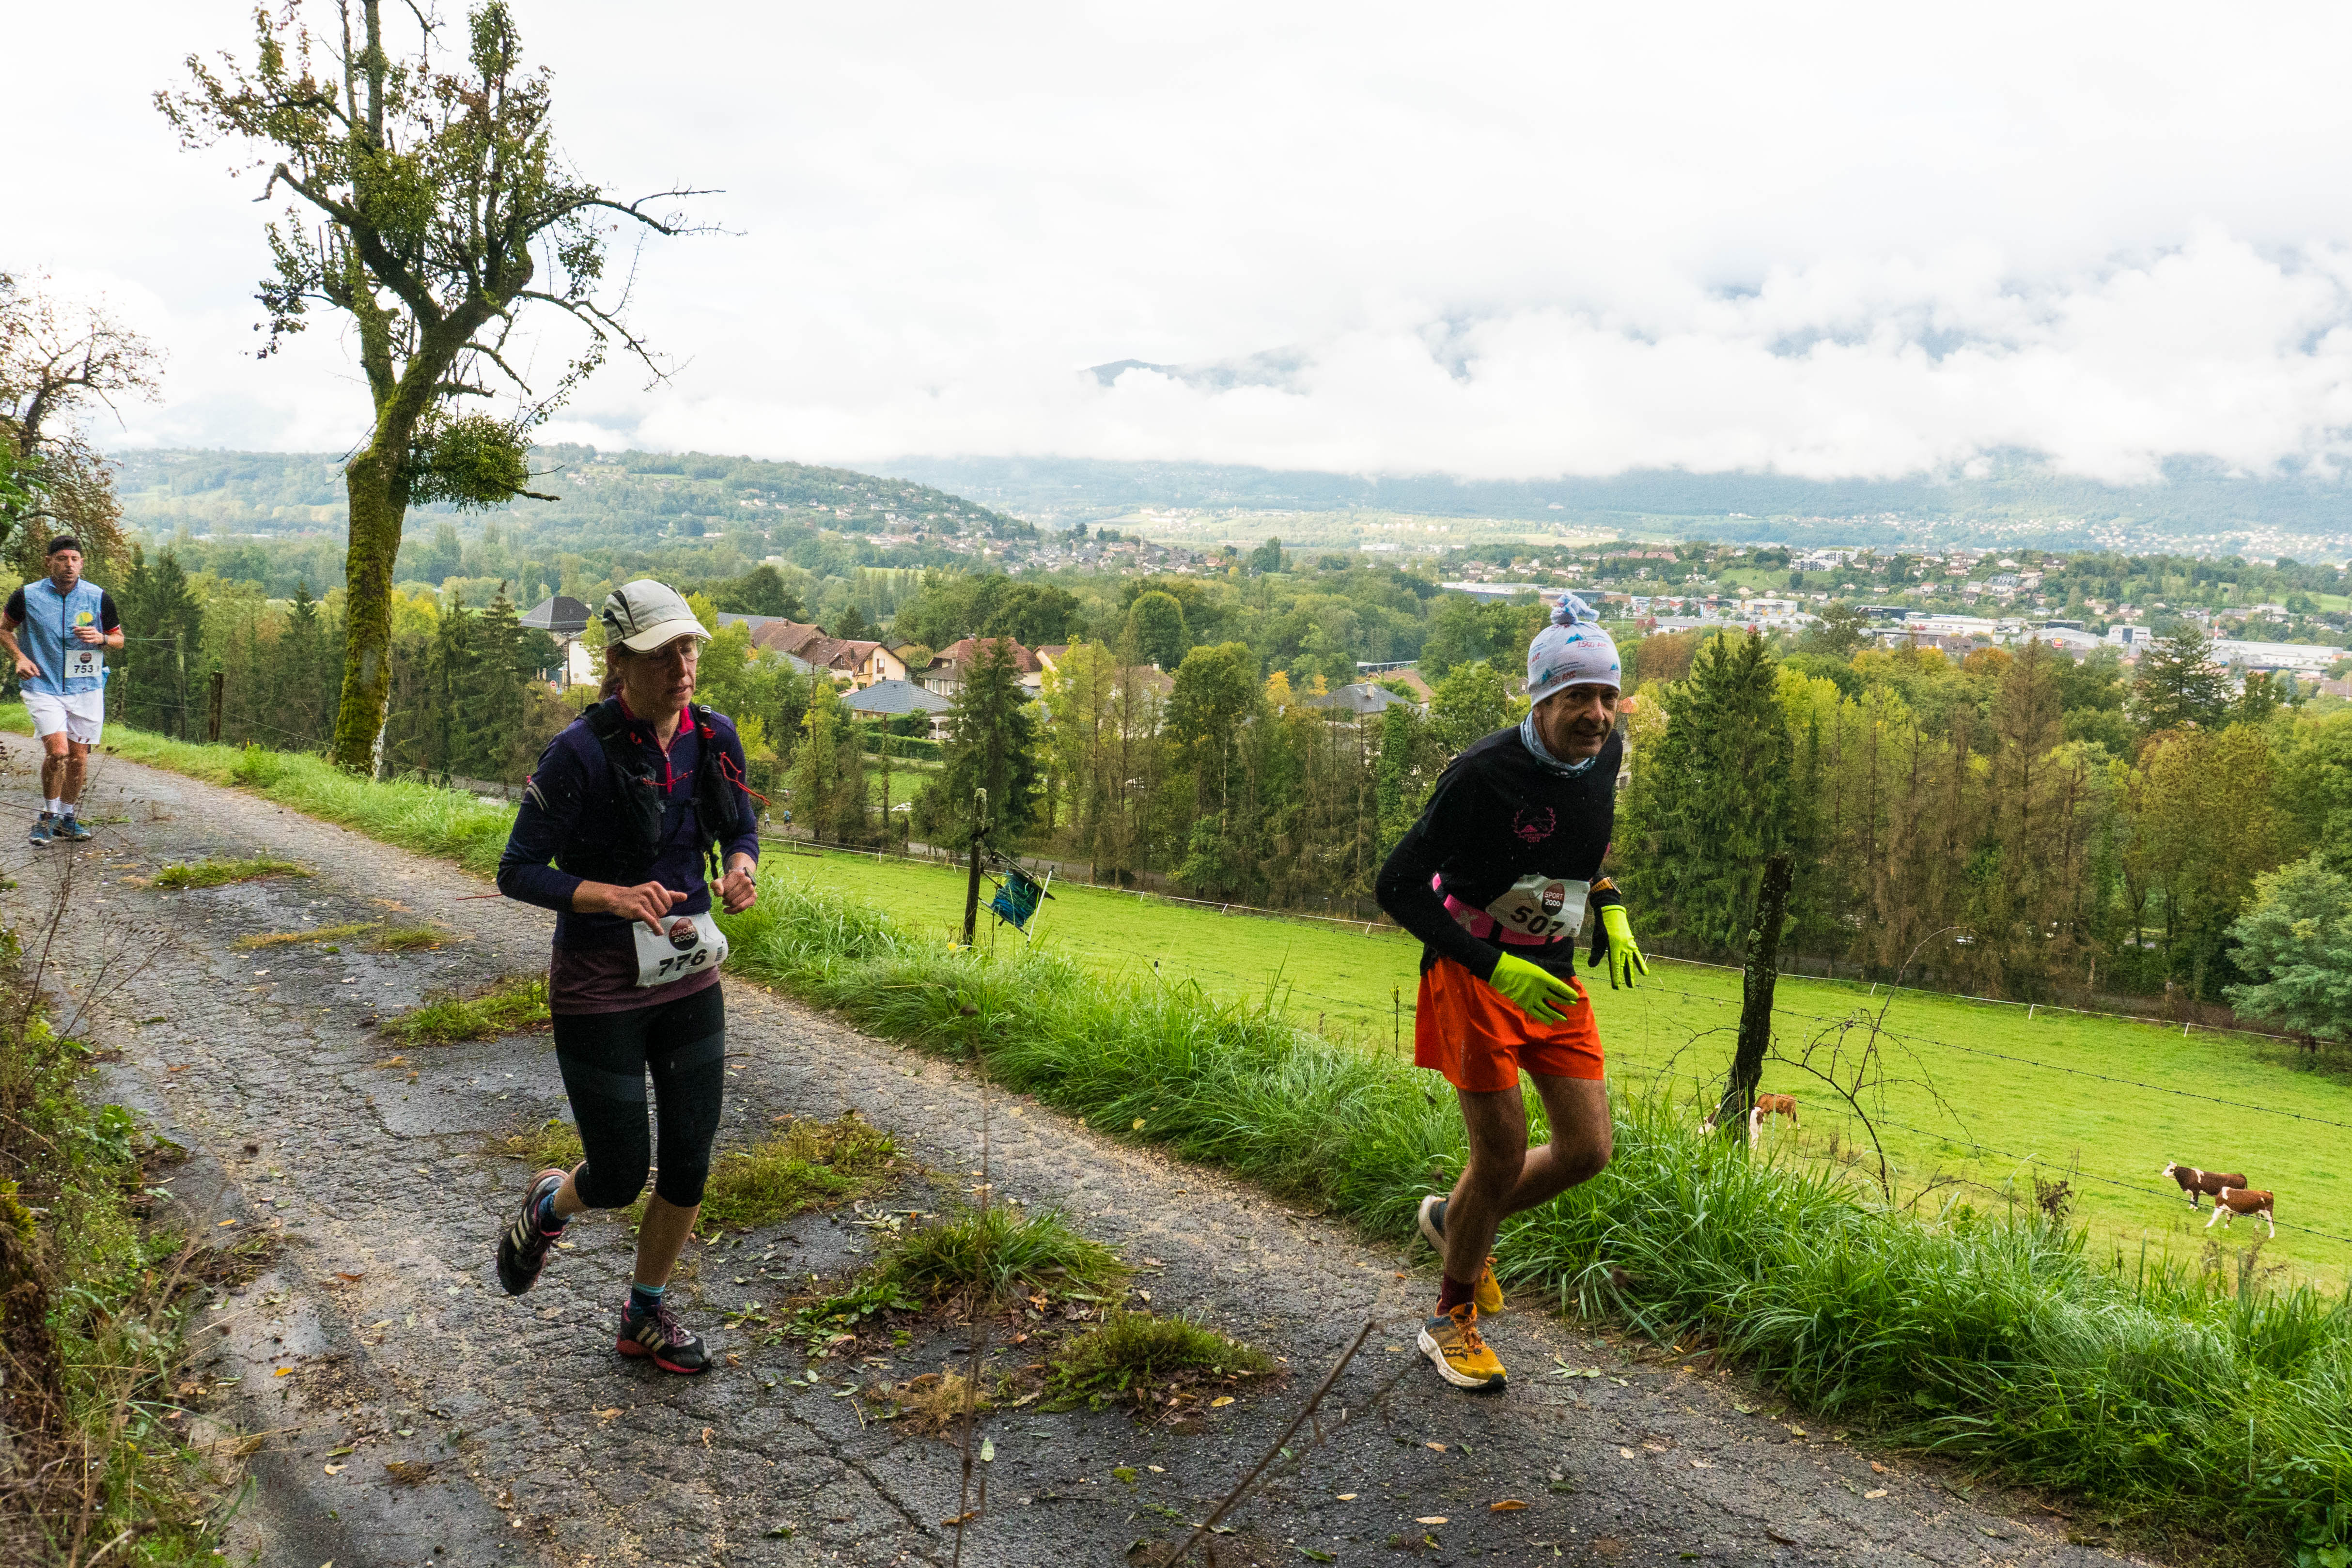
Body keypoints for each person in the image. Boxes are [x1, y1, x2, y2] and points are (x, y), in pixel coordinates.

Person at [1374, 593, 1647, 1392]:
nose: (1596, 714)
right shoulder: (1481, 774)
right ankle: (1449, 1317)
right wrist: (1493, 967)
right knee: (1497, 1153)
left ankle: (1452, 1217)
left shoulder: (1606, 752)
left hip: (1551, 972)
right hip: (1472, 968)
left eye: (1607, 695)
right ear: (1541, 699)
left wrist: (1609, 903)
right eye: (1577, 696)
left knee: (1586, 1149)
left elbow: (1578, 843)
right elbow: (1397, 886)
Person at [491, 580, 761, 1375]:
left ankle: (643, 1314)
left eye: (688, 649)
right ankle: (550, 1204)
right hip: (598, 986)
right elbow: (516, 870)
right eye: (661, 655)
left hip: (687, 972)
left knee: (689, 1161)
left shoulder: (713, 735)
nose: (682, 668)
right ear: (619, 662)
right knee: (615, 1176)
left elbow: (741, 825)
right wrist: (609, 895)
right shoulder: (577, 753)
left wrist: (742, 867)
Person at [1, 536, 124, 846]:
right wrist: (20, 658)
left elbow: (119, 639)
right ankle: (48, 816)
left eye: (74, 559)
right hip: (42, 684)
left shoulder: (98, 597)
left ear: (82, 563)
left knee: (79, 759)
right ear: (49, 562)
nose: (69, 565)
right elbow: (4, 629)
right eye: (62, 558)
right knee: (58, 753)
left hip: (87, 686)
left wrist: (101, 638)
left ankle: (67, 819)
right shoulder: (27, 596)